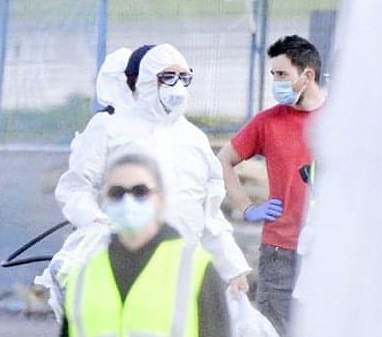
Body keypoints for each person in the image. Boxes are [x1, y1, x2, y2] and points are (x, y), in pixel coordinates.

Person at [45, 152, 238, 337]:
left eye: (140, 191)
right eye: (117, 192)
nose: (128, 201)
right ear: (105, 201)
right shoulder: (85, 274)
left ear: (160, 200)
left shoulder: (194, 268)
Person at [53, 42, 251, 294]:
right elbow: (76, 189)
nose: (176, 86)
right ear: (146, 80)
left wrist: (233, 267)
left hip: (180, 270)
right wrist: (97, 223)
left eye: (183, 77)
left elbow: (208, 214)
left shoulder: (193, 139)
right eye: (167, 77)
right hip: (120, 264)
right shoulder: (111, 129)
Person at [220, 34, 325, 336]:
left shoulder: (339, 120)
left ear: (307, 75)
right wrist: (247, 207)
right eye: (273, 74)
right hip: (280, 250)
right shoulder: (268, 122)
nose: (276, 81)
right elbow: (223, 160)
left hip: (326, 250)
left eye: (282, 75)